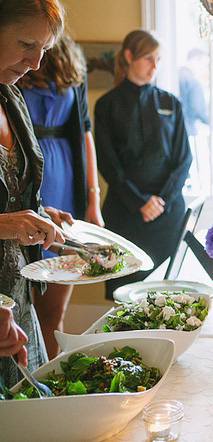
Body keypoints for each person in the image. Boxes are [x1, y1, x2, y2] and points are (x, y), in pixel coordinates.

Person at [18, 33, 103, 359]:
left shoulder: (70, 56)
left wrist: (92, 201)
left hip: (65, 182)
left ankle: (49, 385)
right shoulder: (11, 59)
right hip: (24, 175)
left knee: (53, 311)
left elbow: (85, 134)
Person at [0, 0, 70, 387]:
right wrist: (5, 224)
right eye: (27, 43)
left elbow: (12, 192)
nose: (36, 63)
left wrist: (39, 213)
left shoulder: (11, 97)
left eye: (44, 49)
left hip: (17, 297)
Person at [95, 30, 192, 299]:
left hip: (167, 215)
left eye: (158, 60)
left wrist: (161, 200)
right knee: (124, 299)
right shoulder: (107, 105)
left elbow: (184, 159)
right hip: (125, 216)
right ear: (128, 56)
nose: (155, 67)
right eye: (149, 58)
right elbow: (108, 163)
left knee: (168, 297)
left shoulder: (171, 103)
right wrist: (139, 202)